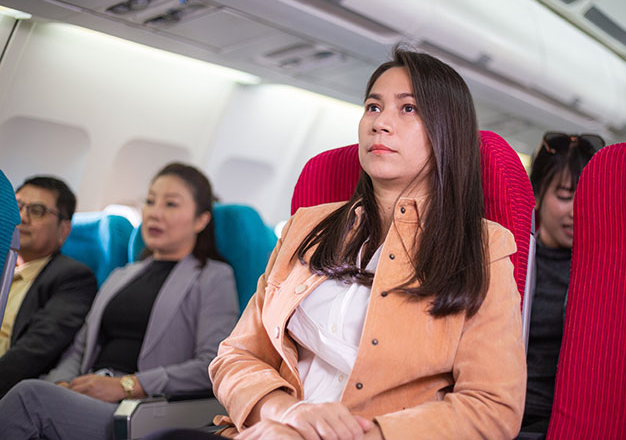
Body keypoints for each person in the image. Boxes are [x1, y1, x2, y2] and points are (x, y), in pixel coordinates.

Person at [150, 48, 526, 440]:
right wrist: (285, 412)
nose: (381, 123)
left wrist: (363, 434)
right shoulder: (305, 227)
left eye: (408, 109)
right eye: (373, 107)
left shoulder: (483, 246)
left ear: (447, 130)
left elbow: (492, 407)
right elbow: (236, 354)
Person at [0, 163, 240, 439]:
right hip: (91, 391)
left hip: (141, 407)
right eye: (150, 201)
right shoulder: (122, 275)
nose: (154, 213)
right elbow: (78, 350)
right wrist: (62, 384)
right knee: (38, 391)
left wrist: (129, 385)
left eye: (171, 204)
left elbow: (212, 365)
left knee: (30, 398)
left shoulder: (213, 277)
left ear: (201, 220)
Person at [520, 132, 605, 433]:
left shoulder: (607, 270)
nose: (576, 211)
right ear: (538, 193)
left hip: (570, 421)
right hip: (501, 412)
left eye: (586, 197)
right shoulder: (514, 259)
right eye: (565, 196)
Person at [0, 176, 97, 398]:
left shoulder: (73, 278)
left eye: (37, 211)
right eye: (18, 207)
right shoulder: (3, 265)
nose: (22, 218)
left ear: (64, 230)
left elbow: (35, 350)